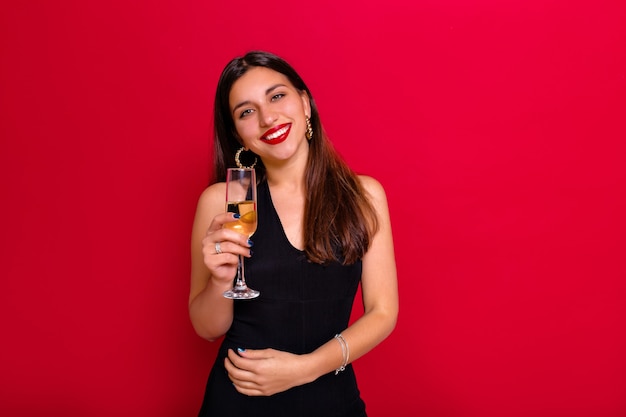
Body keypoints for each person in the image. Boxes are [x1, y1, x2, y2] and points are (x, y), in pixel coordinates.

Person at [189, 50, 398, 417]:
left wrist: (305, 369)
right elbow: (207, 328)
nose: (268, 117)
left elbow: (383, 312)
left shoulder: (364, 196)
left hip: (332, 402)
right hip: (239, 401)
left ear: (304, 102)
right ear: (237, 132)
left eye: (276, 96)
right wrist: (222, 278)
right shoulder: (228, 199)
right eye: (246, 111)